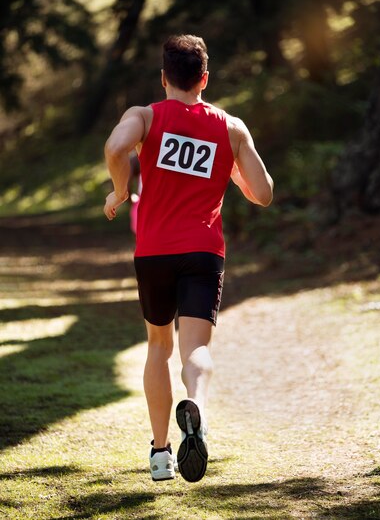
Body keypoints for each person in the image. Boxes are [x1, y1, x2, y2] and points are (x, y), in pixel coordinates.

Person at [103, 34, 273, 483]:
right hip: (203, 250)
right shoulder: (231, 127)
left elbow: (115, 148)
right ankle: (195, 405)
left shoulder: (143, 116)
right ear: (205, 78)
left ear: (163, 79)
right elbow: (265, 194)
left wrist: (120, 191)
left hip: (154, 250)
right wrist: (235, 171)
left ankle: (161, 454)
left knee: (158, 348)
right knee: (194, 348)